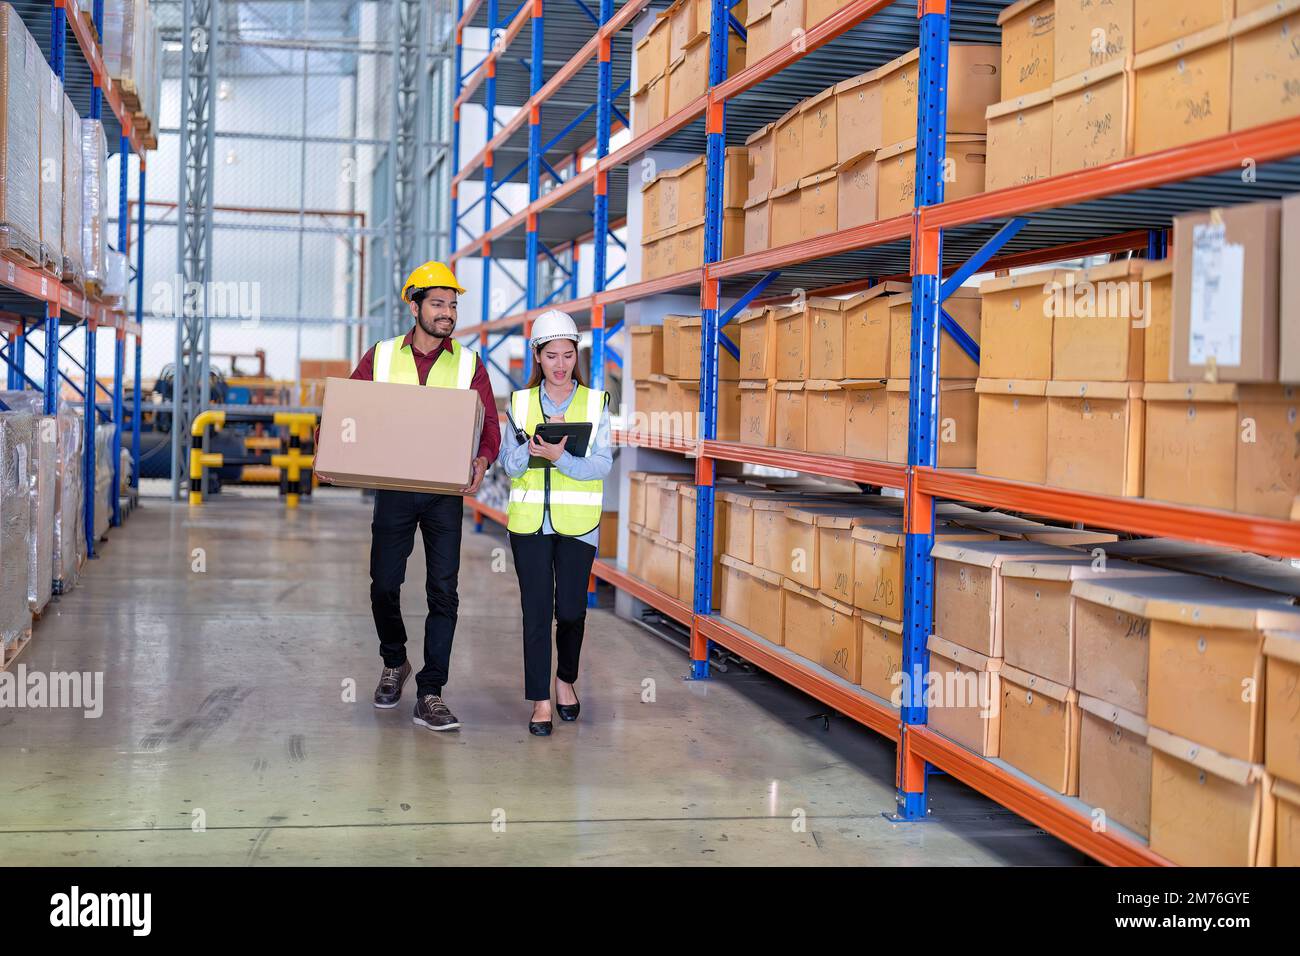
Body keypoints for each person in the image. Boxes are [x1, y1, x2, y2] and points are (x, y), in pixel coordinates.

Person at [347, 260, 500, 732]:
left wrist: (482, 460)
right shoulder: (383, 355)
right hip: (395, 488)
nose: (447, 312)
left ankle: (431, 691)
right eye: (438, 303)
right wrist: (328, 442)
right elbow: (350, 410)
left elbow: (489, 425)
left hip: (443, 493)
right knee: (384, 584)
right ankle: (395, 660)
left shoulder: (470, 363)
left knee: (443, 591)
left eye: (453, 305)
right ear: (414, 306)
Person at [500, 310, 613, 737]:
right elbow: (507, 467)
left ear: (576, 355)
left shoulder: (595, 402)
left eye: (568, 355)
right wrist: (529, 452)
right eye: (552, 356)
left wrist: (560, 458)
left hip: (578, 525)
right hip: (529, 523)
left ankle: (565, 680)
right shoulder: (520, 403)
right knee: (535, 613)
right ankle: (541, 700)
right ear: (538, 356)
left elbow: (602, 465)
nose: (561, 364)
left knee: (569, 611)